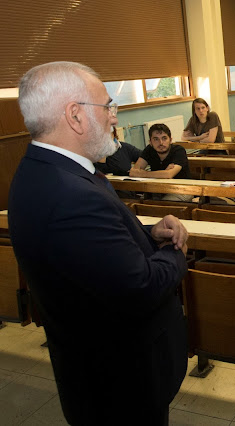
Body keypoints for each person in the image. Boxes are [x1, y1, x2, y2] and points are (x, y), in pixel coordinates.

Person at [8, 61, 188, 424]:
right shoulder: (71, 193)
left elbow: (93, 249)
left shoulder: (42, 171)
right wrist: (175, 251)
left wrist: (148, 233)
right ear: (75, 115)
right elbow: (138, 287)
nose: (113, 118)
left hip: (94, 369)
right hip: (121, 382)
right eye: (107, 107)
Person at [130, 123, 193, 202]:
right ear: (150, 142)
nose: (161, 143)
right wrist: (162, 173)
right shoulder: (149, 150)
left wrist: (143, 173)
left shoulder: (178, 150)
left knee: (163, 204)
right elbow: (133, 172)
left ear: (170, 140)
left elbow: (168, 174)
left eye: (164, 138)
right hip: (158, 190)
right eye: (156, 139)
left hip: (182, 190)